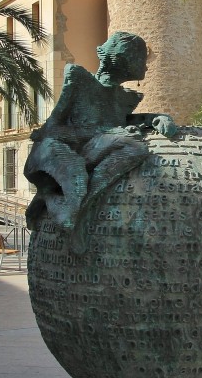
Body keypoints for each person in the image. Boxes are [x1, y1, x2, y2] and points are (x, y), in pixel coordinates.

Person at [24, 31, 177, 241]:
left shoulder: (123, 98)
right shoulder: (78, 79)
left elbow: (121, 122)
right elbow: (51, 129)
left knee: (136, 148)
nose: (147, 65)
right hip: (56, 152)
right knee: (78, 179)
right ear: (123, 58)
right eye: (142, 58)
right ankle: (52, 201)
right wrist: (107, 133)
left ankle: (80, 207)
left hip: (86, 151)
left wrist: (155, 118)